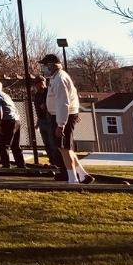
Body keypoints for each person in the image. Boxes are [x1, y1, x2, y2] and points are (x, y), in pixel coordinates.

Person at [42, 53, 94, 185]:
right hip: (61, 115)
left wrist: (61, 124)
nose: (43, 68)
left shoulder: (60, 79)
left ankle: (73, 178)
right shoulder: (55, 78)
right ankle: (83, 175)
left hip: (63, 116)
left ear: (52, 65)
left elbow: (63, 103)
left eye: (45, 65)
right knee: (64, 148)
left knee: (64, 148)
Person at [0, 79, 25, 169]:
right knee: (15, 145)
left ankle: (6, 165)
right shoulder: (5, 95)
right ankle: (21, 164)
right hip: (16, 120)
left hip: (7, 121)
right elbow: (14, 108)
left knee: (3, 144)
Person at [32, 74, 64, 175]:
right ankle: (51, 161)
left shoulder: (48, 93)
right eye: (37, 84)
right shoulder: (36, 95)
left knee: (52, 142)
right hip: (42, 120)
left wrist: (46, 106)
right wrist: (37, 122)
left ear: (44, 83)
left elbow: (55, 103)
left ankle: (57, 163)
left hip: (50, 119)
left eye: (41, 83)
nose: (39, 86)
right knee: (46, 142)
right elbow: (37, 110)